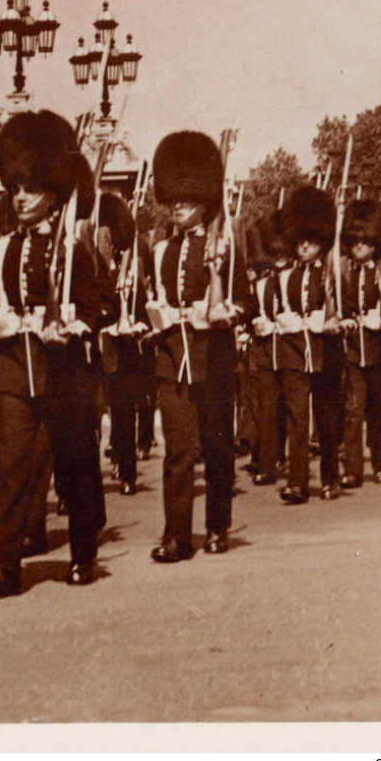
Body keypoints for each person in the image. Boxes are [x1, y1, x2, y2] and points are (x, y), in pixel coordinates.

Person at [0, 111, 107, 596]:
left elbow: (100, 307)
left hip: (63, 373)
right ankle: (6, 566)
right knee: (11, 468)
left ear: (52, 191)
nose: (21, 196)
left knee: (73, 462)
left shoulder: (74, 248)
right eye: (16, 188)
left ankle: (82, 554)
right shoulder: (2, 247)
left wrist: (74, 324)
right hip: (14, 372)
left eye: (31, 187)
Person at [142, 131, 249, 563]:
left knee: (218, 446)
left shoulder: (225, 244)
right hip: (173, 359)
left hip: (215, 357)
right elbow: (156, 298)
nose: (178, 206)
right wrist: (157, 315)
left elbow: (245, 299)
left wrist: (227, 313)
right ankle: (177, 535)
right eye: (174, 199)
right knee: (178, 450)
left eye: (186, 199)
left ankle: (218, 526)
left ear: (204, 200)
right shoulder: (162, 247)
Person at [275, 186, 344, 503]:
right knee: (297, 419)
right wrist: (285, 319)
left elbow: (344, 311)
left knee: (327, 420)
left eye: (311, 241)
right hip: (293, 353)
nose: (305, 247)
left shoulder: (333, 275)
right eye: (300, 241)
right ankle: (298, 481)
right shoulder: (285, 276)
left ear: (321, 242)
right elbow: (280, 309)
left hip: (325, 353)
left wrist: (333, 321)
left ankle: (330, 478)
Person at [336, 200, 381, 487]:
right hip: (353, 349)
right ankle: (353, 469)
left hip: (380, 348)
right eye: (355, 240)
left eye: (366, 241)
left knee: (379, 409)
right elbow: (339, 306)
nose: (360, 246)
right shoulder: (344, 274)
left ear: (376, 243)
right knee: (353, 410)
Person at [96, 193, 152, 498]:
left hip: (121, 352)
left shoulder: (129, 271)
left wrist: (134, 324)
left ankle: (127, 470)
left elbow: (141, 309)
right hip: (94, 348)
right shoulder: (89, 265)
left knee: (122, 416)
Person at [242, 210, 293, 487]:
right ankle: (266, 462)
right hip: (265, 350)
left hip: (291, 348)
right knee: (266, 407)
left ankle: (284, 457)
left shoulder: (294, 277)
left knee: (289, 408)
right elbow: (252, 312)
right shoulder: (260, 284)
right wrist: (255, 323)